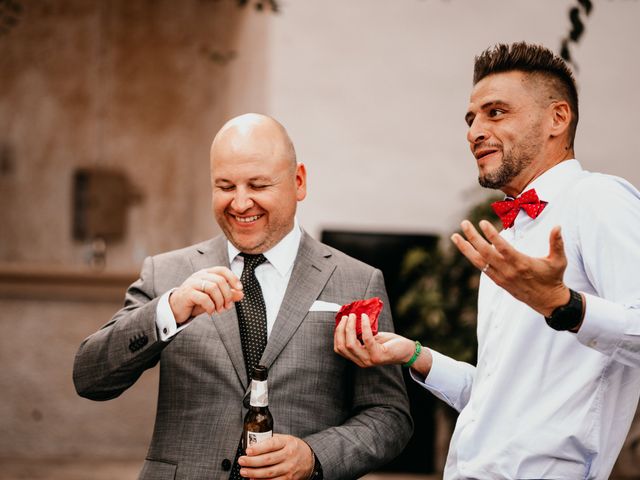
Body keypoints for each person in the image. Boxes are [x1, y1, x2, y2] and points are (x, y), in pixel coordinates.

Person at [335, 42, 640, 479]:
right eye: (471, 118)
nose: (474, 130)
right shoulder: (512, 236)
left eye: (496, 112)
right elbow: (496, 399)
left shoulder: (599, 200)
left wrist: (563, 305)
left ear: (558, 118)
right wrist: (414, 354)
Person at [73, 113, 412, 480]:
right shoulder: (167, 273)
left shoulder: (357, 281)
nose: (239, 203)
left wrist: (315, 456)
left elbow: (389, 416)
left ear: (298, 182)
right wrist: (167, 311)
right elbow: (90, 377)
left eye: (257, 185)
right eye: (225, 186)